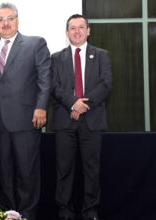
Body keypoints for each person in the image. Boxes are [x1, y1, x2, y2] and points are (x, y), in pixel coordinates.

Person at [0, 3, 51, 220]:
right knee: (4, 173)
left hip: (26, 120)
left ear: (17, 20)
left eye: (10, 18)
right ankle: (8, 214)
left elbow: (44, 78)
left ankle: (28, 214)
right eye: (1, 19)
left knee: (27, 173)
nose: (6, 23)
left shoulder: (35, 43)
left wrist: (41, 107)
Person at [51, 14, 111, 220]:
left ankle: (90, 211)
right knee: (64, 170)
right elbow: (54, 87)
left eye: (81, 27)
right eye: (72, 28)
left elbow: (105, 84)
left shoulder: (102, 55)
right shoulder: (56, 58)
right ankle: (65, 211)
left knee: (91, 169)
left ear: (88, 30)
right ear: (66, 33)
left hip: (92, 120)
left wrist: (82, 105)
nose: (77, 31)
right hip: (64, 121)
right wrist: (72, 103)